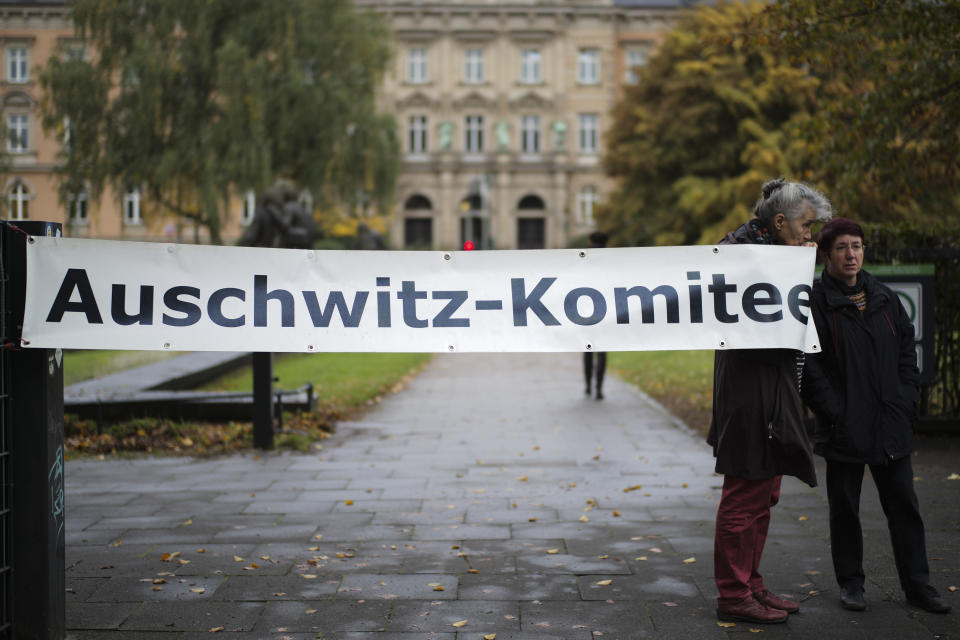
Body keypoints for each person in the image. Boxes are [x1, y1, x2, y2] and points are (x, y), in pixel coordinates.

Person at [801, 217, 951, 615]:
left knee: (905, 507)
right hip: (844, 426)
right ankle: (851, 584)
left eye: (857, 246)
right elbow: (809, 367)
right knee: (845, 509)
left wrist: (904, 402)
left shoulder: (884, 298)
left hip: (890, 423)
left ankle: (919, 586)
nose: (851, 255)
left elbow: (907, 354)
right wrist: (834, 411)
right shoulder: (816, 303)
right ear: (825, 254)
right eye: (842, 248)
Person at [708, 178, 832, 624]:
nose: (809, 235)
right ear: (778, 222)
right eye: (804, 225)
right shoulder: (743, 258)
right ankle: (733, 593)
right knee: (745, 496)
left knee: (764, 495)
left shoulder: (776, 257)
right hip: (751, 395)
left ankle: (751, 584)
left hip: (773, 391)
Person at [583, 230, 608, 399]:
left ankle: (587, 385)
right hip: (606, 310)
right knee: (602, 351)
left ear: (589, 240)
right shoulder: (610, 259)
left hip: (584, 309)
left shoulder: (583, 258)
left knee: (586, 349)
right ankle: (599, 387)